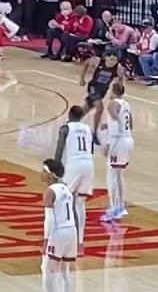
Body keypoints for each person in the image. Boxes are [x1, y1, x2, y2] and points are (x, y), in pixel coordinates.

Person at [38, 158, 76, 292]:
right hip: (71, 230)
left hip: (58, 232)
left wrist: (46, 241)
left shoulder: (50, 191)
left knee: (47, 269)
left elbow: (50, 220)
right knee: (65, 271)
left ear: (50, 174)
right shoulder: (66, 189)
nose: (41, 174)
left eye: (43, 171)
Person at [53, 106, 94, 248]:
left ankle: (64, 236)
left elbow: (59, 149)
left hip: (74, 165)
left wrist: (56, 168)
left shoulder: (65, 128)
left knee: (63, 200)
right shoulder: (88, 129)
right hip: (88, 165)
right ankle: (80, 241)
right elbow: (91, 149)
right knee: (80, 203)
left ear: (69, 115)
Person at [101, 82, 133, 222]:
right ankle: (120, 206)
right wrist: (107, 125)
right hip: (128, 139)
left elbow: (115, 120)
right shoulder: (126, 104)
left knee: (112, 175)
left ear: (113, 91)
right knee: (118, 175)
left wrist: (108, 143)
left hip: (118, 141)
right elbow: (129, 124)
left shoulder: (112, 104)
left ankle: (115, 208)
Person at [80, 50, 123, 146]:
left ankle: (72, 121)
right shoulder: (98, 61)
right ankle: (94, 132)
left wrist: (116, 92)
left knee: (87, 108)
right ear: (106, 58)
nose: (113, 62)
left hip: (102, 91)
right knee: (100, 108)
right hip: (93, 88)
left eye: (115, 60)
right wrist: (82, 78)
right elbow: (86, 62)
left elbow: (120, 79)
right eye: (111, 59)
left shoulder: (118, 68)